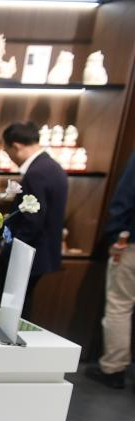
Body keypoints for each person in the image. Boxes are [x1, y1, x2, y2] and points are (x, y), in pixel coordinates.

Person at [0, 121, 68, 318]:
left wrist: (10, 247)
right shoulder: (52, 167)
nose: (10, 157)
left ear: (16, 146)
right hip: (42, 251)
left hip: (29, 252)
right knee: (21, 305)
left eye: (7, 151)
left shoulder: (36, 172)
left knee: (13, 309)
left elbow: (33, 219)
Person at [87, 152, 135, 389]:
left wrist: (116, 236)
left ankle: (114, 368)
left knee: (120, 305)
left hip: (131, 243)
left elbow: (124, 199)